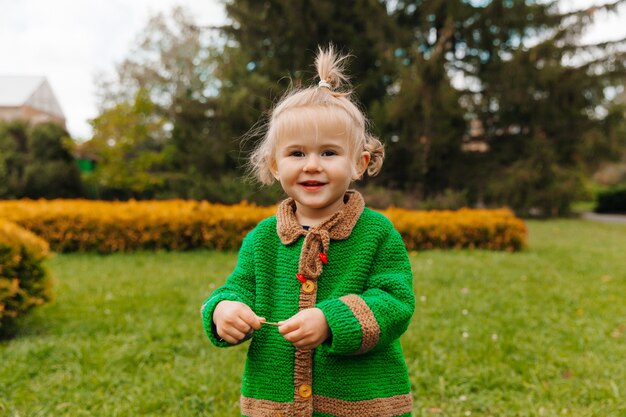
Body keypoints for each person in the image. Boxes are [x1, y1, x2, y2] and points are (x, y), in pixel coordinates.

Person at [200, 45, 415, 417]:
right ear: (274, 164)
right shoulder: (263, 239)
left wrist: (332, 320)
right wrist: (223, 310)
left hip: (362, 404)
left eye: (329, 153)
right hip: (276, 404)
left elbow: (395, 301)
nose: (312, 166)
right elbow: (237, 288)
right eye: (297, 154)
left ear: (358, 162)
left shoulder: (375, 232)